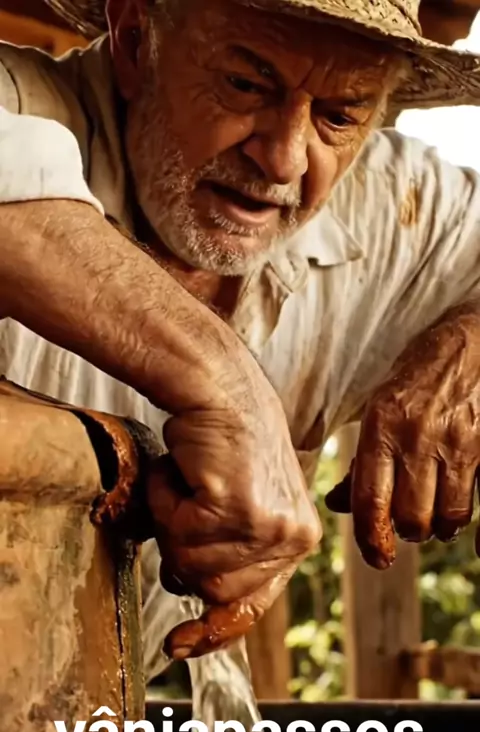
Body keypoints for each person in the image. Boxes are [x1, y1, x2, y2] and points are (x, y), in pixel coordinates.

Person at [1, 0, 480, 680]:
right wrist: (227, 385)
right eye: (246, 85)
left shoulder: (394, 201)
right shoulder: (20, 102)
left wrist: (468, 349)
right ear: (135, 40)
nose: (283, 161)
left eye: (340, 115)